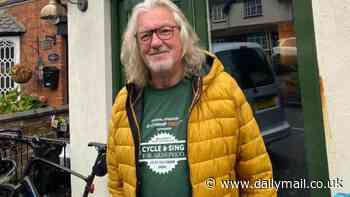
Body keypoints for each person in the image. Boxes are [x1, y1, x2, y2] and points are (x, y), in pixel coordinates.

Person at [107, 0, 277, 196]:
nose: (155, 42)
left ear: (182, 35)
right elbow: (117, 183)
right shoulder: (125, 101)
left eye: (164, 31)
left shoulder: (223, 90)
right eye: (145, 35)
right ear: (136, 44)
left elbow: (258, 177)